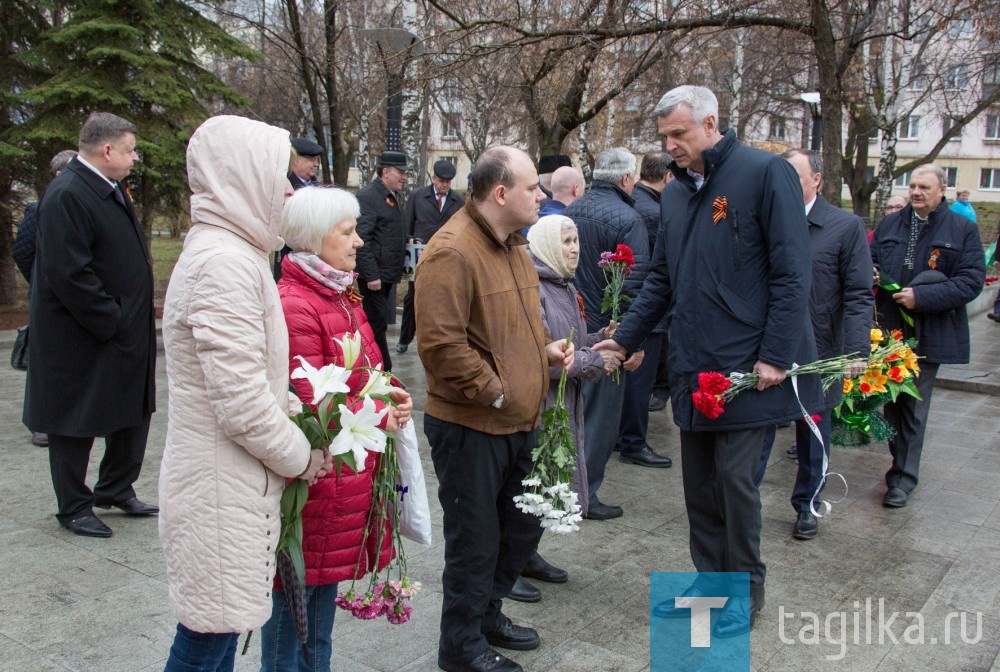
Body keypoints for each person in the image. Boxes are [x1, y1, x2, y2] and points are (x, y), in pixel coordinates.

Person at [596, 85, 821, 636]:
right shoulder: (674, 193)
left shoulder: (765, 174)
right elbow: (662, 281)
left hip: (748, 368)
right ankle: (709, 587)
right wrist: (623, 339)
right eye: (665, 136)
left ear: (711, 122)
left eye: (680, 133)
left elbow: (794, 274)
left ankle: (743, 594)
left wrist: (775, 356)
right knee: (698, 485)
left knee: (734, 484)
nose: (670, 145)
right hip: (695, 365)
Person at [158, 115, 332, 672]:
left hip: (229, 483)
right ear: (241, 177)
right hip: (218, 487)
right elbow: (242, 404)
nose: (288, 188)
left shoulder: (236, 255)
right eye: (277, 175)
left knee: (216, 637)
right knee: (205, 644)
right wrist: (301, 455)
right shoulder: (224, 264)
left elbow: (254, 382)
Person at [415, 146, 576, 672]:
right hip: (472, 426)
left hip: (517, 420)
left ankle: (488, 615)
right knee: (476, 543)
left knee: (519, 530)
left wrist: (544, 351)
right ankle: (460, 648)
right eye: (533, 188)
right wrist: (499, 390)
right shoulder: (452, 251)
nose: (542, 195)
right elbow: (441, 347)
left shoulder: (513, 244)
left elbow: (514, 326)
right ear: (501, 193)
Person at [261, 185, 413, 671]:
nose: (359, 242)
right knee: (293, 626)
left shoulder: (337, 293)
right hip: (314, 484)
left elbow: (363, 370)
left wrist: (390, 392)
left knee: (316, 625)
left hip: (338, 480)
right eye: (347, 233)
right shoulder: (296, 303)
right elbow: (310, 398)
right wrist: (376, 412)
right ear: (311, 238)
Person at [24, 112, 157, 539]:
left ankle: (116, 487)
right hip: (83, 334)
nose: (134, 157)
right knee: (74, 419)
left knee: (132, 410)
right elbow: (69, 274)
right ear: (107, 150)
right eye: (130, 149)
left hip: (121, 328)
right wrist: (112, 318)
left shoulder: (106, 187)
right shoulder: (68, 193)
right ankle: (74, 506)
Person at [753, 149, 872, 539]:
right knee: (759, 429)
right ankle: (744, 501)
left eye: (795, 176)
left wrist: (856, 350)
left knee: (813, 433)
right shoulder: (764, 220)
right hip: (768, 348)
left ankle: (807, 504)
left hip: (819, 350)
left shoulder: (843, 226)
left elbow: (857, 295)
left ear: (817, 180)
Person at [513, 214, 620, 597]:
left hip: (561, 404)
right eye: (565, 242)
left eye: (576, 241)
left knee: (546, 482)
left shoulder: (563, 284)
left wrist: (600, 338)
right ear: (543, 244)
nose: (574, 249)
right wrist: (597, 360)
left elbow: (570, 339)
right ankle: (508, 567)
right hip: (539, 404)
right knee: (531, 481)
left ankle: (528, 553)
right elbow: (542, 356)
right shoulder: (534, 289)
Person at [870, 164, 985, 508]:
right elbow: (869, 260)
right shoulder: (891, 223)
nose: (916, 192)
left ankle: (902, 480)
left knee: (914, 408)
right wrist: (871, 273)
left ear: (941, 192)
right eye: (913, 185)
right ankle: (899, 464)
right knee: (891, 406)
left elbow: (970, 281)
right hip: (888, 332)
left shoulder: (962, 229)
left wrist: (921, 298)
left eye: (924, 187)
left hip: (928, 334)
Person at [563, 147, 650, 520]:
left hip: (566, 325)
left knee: (571, 414)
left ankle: (566, 488)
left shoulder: (571, 210)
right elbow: (637, 282)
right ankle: (587, 495)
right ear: (627, 179)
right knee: (600, 421)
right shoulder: (629, 218)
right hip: (606, 333)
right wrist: (632, 340)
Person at [13, 148, 77, 449]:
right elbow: (23, 253)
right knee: (43, 363)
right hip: (46, 300)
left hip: (70, 299)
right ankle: (41, 425)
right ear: (59, 174)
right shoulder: (38, 209)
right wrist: (40, 284)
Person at [616, 151, 673, 469]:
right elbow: (654, 269)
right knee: (639, 381)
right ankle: (633, 442)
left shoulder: (631, 200)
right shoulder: (653, 211)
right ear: (667, 176)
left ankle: (620, 437)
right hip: (646, 310)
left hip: (623, 303)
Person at [396, 159, 465, 354]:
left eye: (448, 181)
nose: (444, 184)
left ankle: (438, 342)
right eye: (441, 180)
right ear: (434, 178)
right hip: (420, 256)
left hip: (445, 257)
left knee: (443, 300)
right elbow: (407, 224)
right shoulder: (418, 196)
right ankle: (405, 338)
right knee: (413, 298)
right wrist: (410, 239)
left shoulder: (458, 202)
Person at [356, 150, 410, 371]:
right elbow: (363, 238)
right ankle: (383, 372)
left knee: (379, 325)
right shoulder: (369, 196)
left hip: (386, 275)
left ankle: (379, 370)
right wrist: (371, 274)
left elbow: (388, 232)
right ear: (385, 171)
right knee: (376, 325)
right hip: (375, 277)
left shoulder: (389, 195)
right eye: (400, 172)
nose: (404, 177)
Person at [273, 137, 325, 280]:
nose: (316, 164)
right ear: (295, 160)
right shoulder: (284, 186)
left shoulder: (319, 189)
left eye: (317, 160)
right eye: (311, 159)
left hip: (317, 256)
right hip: (290, 255)